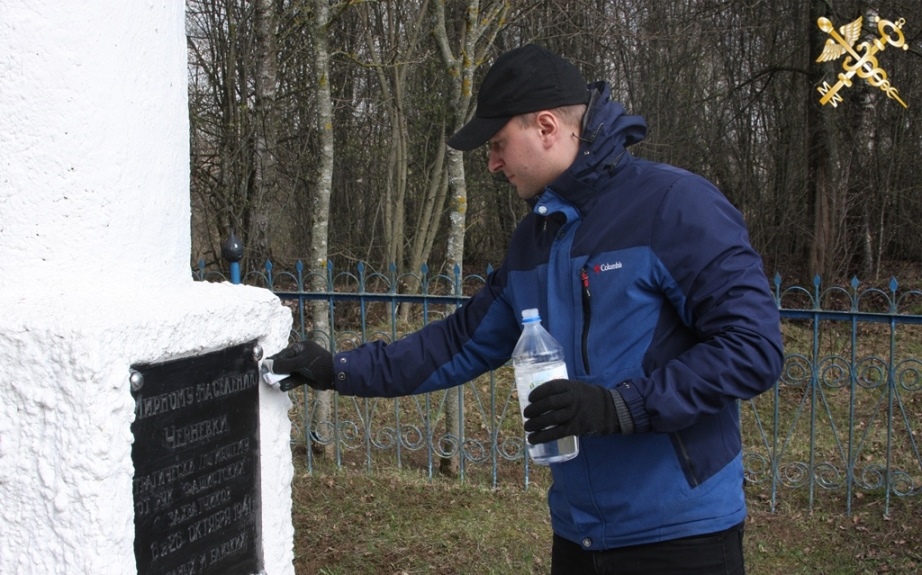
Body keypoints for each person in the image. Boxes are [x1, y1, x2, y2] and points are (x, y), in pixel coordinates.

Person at [269, 44, 784, 575]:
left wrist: (621, 407)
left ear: (546, 127)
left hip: (682, 536)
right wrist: (338, 369)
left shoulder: (674, 204)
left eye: (498, 144)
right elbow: (457, 343)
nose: (493, 163)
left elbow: (754, 348)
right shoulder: (534, 240)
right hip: (579, 536)